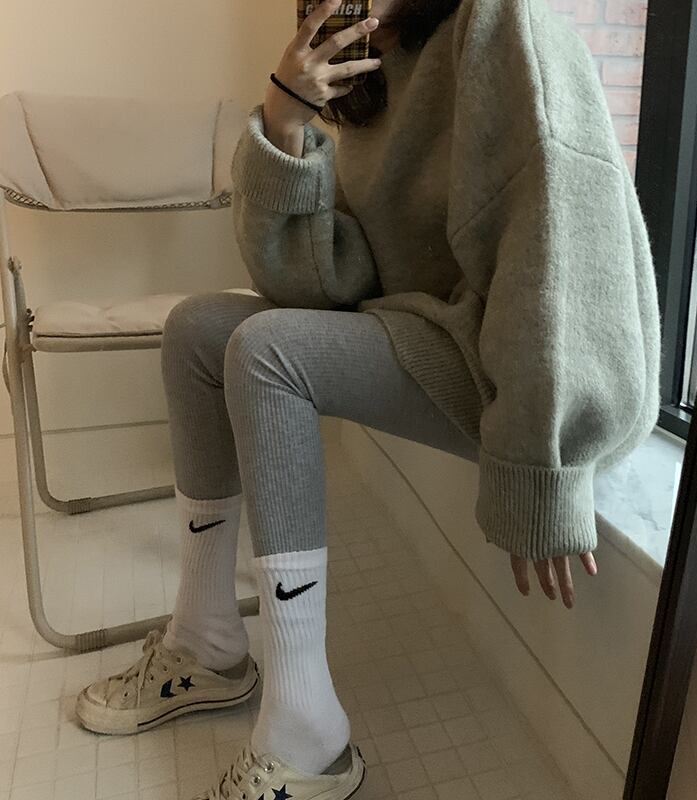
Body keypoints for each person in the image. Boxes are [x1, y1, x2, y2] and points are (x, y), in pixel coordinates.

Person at [75, 0, 662, 797]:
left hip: (525, 366)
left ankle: (307, 733)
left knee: (267, 351)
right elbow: (324, 284)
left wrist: (545, 461)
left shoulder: (500, 24)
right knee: (197, 330)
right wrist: (284, 121)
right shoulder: (375, 63)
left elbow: (563, 248)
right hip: (433, 331)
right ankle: (207, 639)